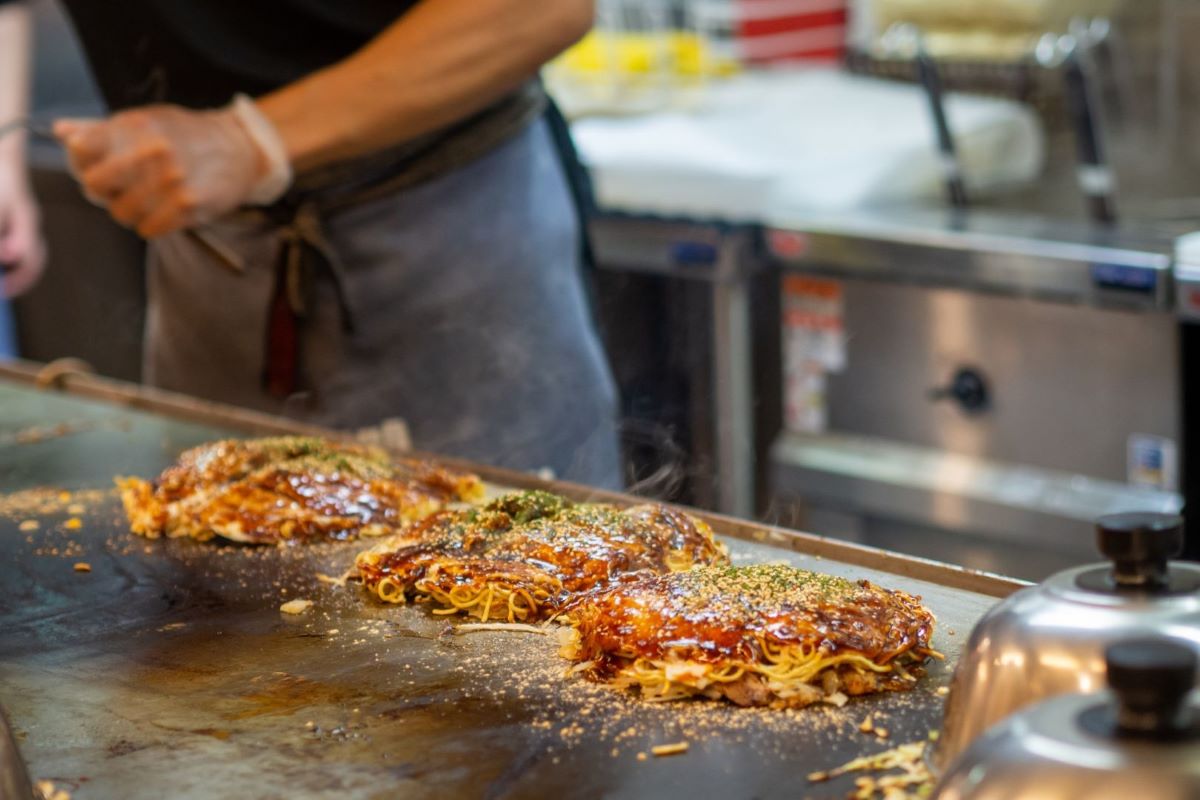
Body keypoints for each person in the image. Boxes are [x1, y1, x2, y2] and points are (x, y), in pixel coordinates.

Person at [0, 0, 623, 488]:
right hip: (214, 240)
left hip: (446, 220)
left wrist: (251, 141)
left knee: (525, 590)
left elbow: (542, 8)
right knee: (217, 595)